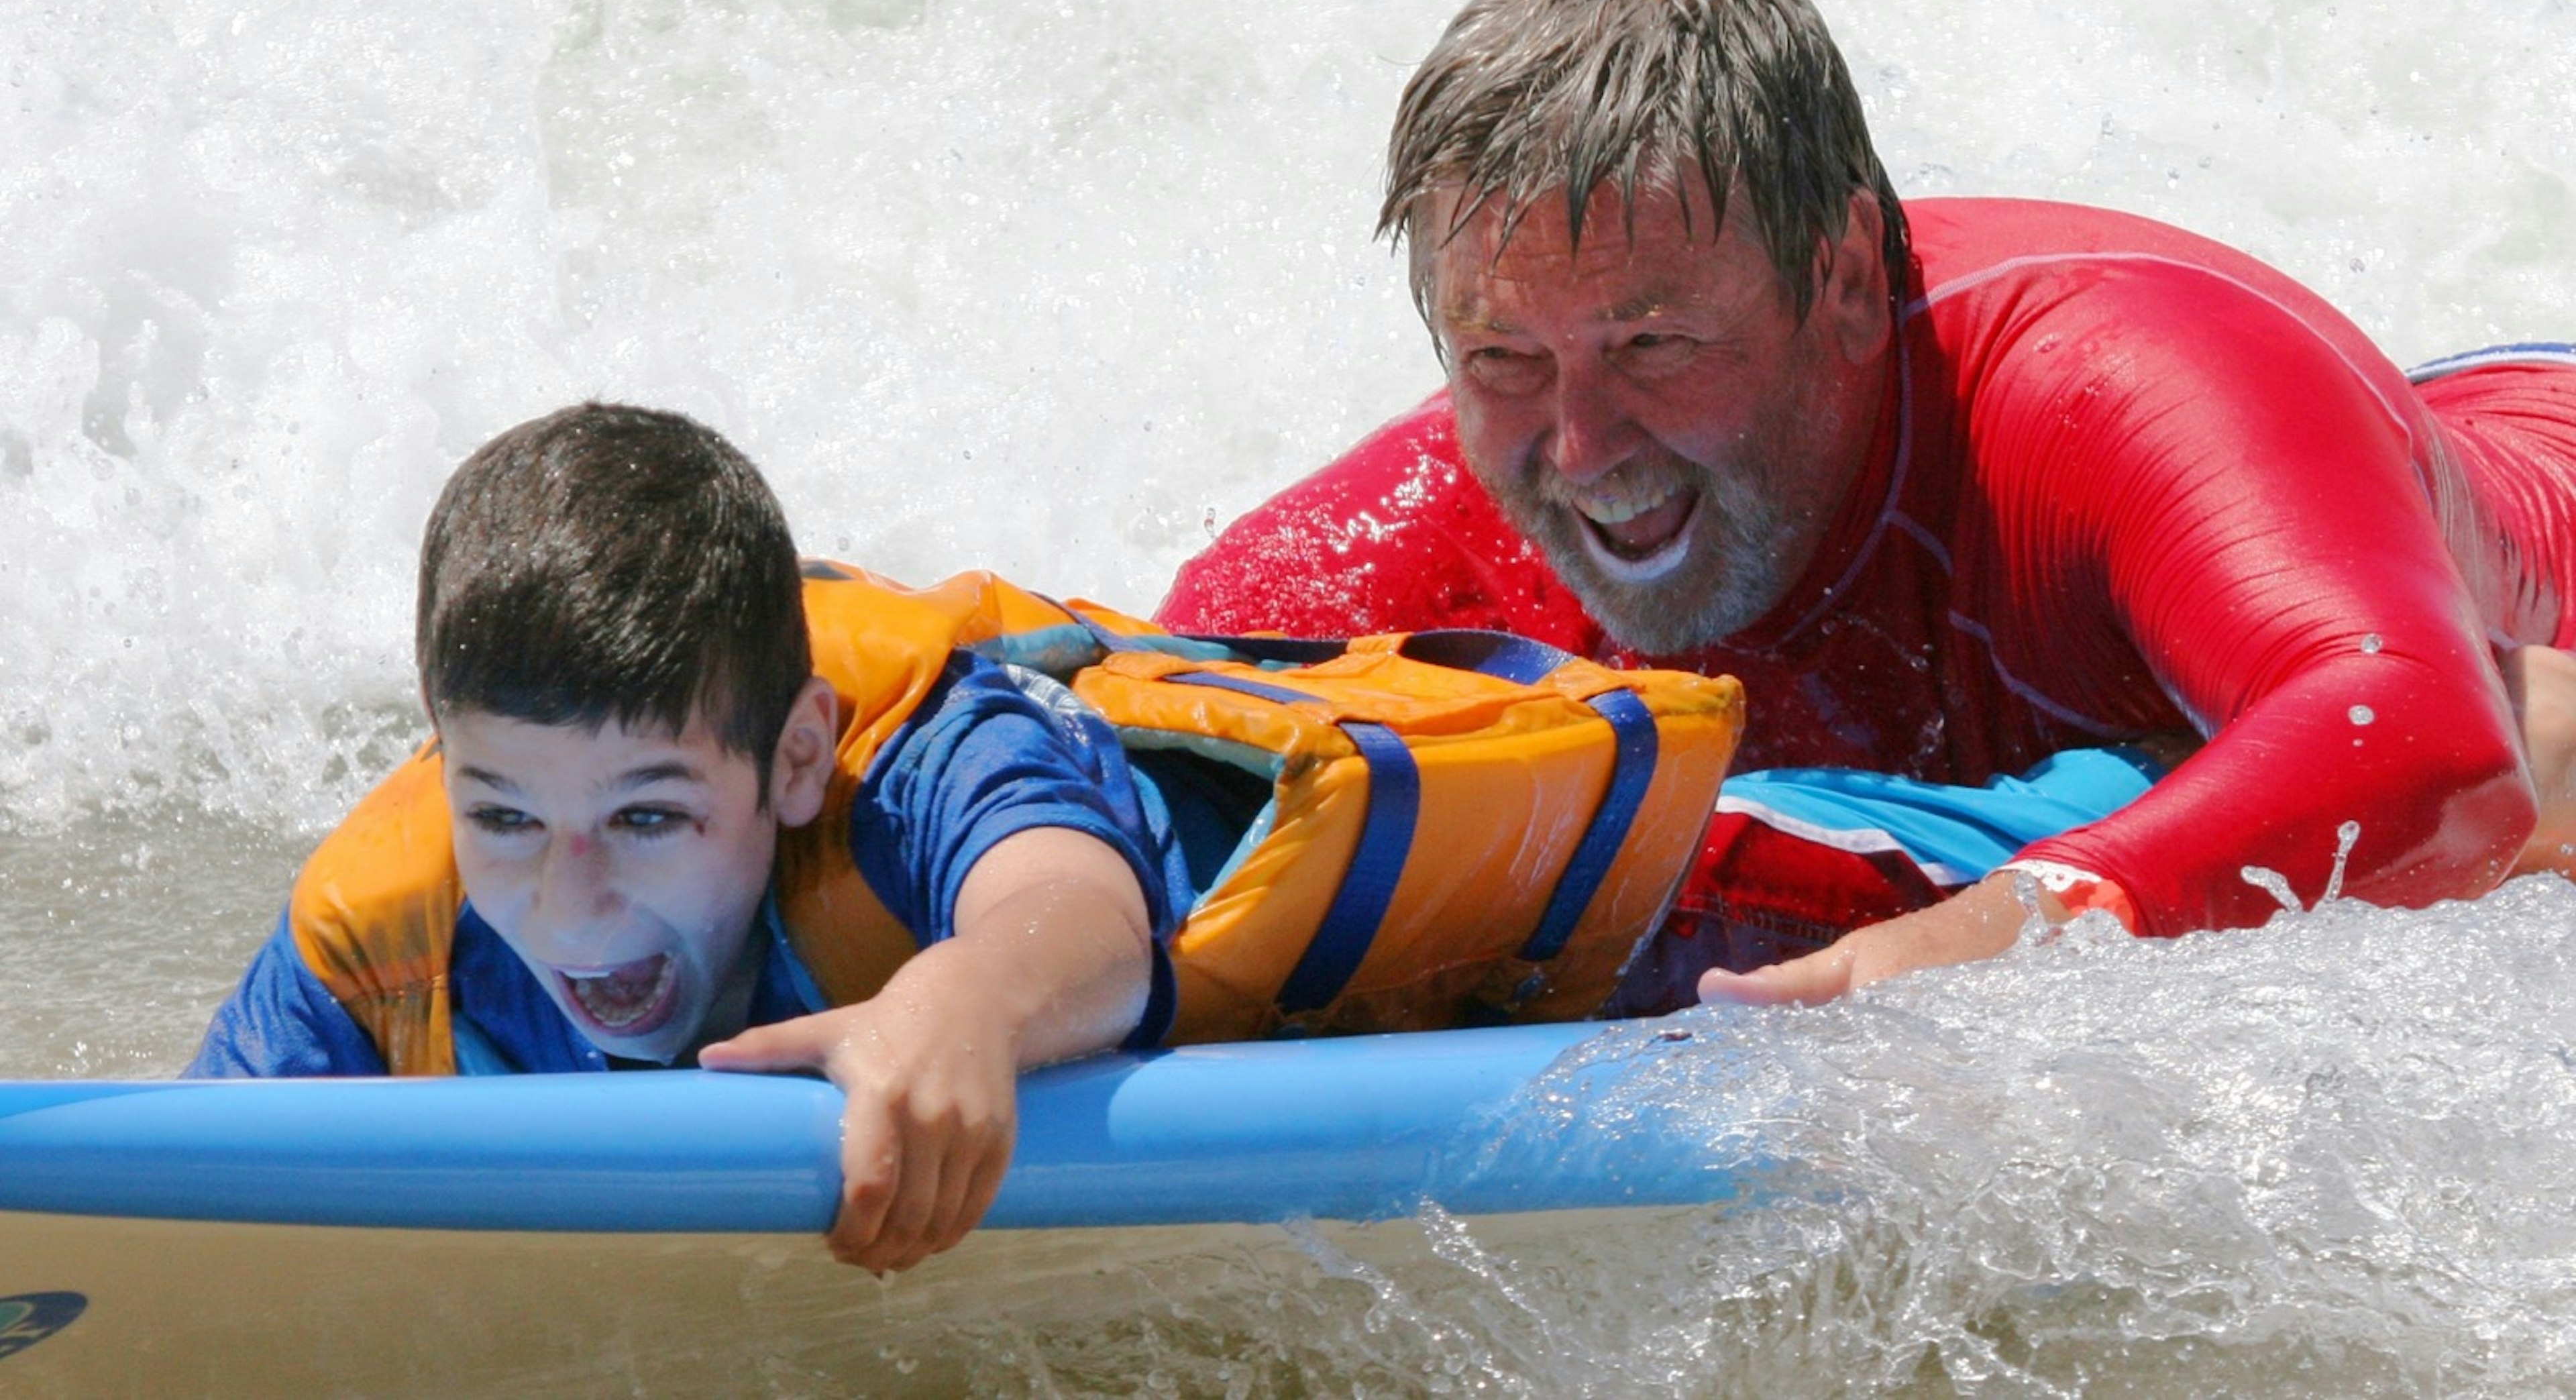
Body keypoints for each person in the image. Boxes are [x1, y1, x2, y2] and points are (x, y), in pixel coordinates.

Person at [1157, 0, 2576, 1004]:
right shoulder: (1453, 506)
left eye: (1655, 343)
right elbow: (1150, 713)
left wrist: (1971, 952)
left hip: (2513, 505)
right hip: (2361, 489)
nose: (1580, 449)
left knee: (2544, 741)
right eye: (1503, 358)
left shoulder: (2100, 390)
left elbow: (2430, 741)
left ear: (1841, 278)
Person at [188, 401, 1755, 1269]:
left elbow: (1073, 916)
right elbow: (175, 1200)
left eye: (651, 819)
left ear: (795, 758)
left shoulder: (922, 757)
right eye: (506, 817)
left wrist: (960, 1004)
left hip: (1628, 922)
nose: (571, 897)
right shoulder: (384, 928)